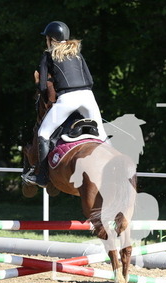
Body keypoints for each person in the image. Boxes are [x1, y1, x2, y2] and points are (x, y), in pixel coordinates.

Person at [22, 21, 106, 187]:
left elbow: (42, 86)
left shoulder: (48, 55)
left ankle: (42, 176)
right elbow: (90, 80)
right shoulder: (77, 54)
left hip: (67, 99)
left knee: (43, 134)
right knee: (102, 135)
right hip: (88, 97)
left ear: (51, 39)